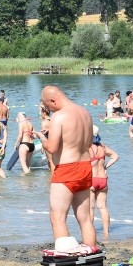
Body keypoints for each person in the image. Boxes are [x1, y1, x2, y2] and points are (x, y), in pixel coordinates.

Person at [35, 85, 96, 248]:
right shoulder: (85, 113)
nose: (49, 110)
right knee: (84, 218)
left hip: (67, 169)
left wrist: (42, 138)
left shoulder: (59, 116)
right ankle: (90, 253)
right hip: (85, 166)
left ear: (53, 100)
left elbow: (52, 148)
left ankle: (65, 256)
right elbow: (89, 143)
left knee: (57, 216)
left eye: (48, 106)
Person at [89, 126, 119, 240]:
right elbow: (115, 156)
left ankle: (90, 231)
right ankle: (106, 233)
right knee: (102, 207)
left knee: (90, 208)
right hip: (103, 180)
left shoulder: (86, 148)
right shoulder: (102, 147)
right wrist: (105, 167)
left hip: (91, 180)